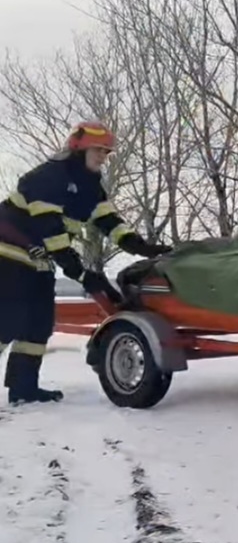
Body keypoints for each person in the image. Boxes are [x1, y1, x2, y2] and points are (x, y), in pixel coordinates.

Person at [0, 121, 173, 405]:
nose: (103, 157)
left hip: (39, 258)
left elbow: (109, 221)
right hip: (8, 253)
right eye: (98, 150)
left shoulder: (90, 186)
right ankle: (22, 387)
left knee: (38, 324)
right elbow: (51, 231)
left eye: (106, 152)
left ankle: (23, 389)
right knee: (8, 321)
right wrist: (81, 273)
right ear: (78, 149)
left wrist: (139, 246)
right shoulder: (49, 177)